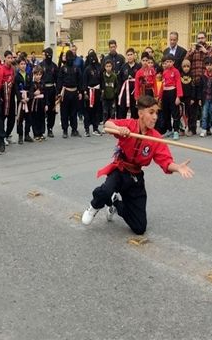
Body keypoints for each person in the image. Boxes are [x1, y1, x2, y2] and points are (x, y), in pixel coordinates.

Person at [81, 95, 194, 234]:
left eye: (156, 113)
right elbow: (108, 125)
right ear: (141, 113)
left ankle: (115, 202)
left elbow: (165, 161)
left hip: (136, 177)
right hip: (120, 170)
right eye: (151, 112)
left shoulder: (155, 137)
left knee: (139, 227)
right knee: (105, 190)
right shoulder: (130, 125)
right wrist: (119, 129)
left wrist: (177, 167)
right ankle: (94, 206)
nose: (155, 117)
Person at [57, 50, 83, 138]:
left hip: (74, 92)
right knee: (64, 112)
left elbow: (80, 80)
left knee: (74, 112)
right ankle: (65, 130)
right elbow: (59, 81)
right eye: (68, 57)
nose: (69, 59)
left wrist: (80, 91)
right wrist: (58, 93)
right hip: (65, 92)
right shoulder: (62, 68)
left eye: (71, 57)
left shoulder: (76, 68)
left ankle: (74, 130)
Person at [198, 57, 212, 137]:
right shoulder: (202, 76)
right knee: (204, 114)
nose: (209, 67)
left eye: (211, 65)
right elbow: (200, 88)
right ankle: (204, 129)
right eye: (207, 65)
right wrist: (200, 98)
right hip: (205, 99)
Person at [82, 51, 102, 137]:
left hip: (97, 91)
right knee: (88, 111)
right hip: (89, 91)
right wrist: (85, 92)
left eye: (94, 57)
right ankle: (87, 129)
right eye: (91, 58)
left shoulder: (99, 68)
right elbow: (84, 82)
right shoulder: (87, 69)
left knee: (96, 111)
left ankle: (95, 128)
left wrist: (102, 90)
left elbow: (101, 80)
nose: (93, 59)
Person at [40, 47, 58, 138]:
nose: (49, 56)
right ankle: (41, 130)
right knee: (42, 110)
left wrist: (57, 92)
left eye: (50, 54)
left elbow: (57, 79)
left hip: (52, 89)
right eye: (47, 54)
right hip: (43, 89)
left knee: (52, 110)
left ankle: (50, 128)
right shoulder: (40, 65)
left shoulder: (54, 66)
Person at [117, 48, 140, 119]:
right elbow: (119, 80)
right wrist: (119, 93)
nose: (129, 56)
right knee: (122, 111)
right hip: (125, 93)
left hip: (135, 93)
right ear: (126, 56)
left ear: (134, 55)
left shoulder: (138, 66)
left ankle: (134, 128)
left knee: (135, 112)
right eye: (128, 55)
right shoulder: (123, 67)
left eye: (131, 54)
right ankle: (123, 127)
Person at [15, 58, 33, 144]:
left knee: (28, 118)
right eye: (21, 64)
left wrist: (29, 97)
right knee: (20, 118)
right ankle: (20, 136)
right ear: (18, 65)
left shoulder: (29, 75)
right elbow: (16, 89)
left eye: (24, 64)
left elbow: (31, 87)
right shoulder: (16, 76)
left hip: (28, 99)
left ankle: (27, 134)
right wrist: (21, 99)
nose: (23, 65)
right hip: (21, 100)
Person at [1, 51, 17, 143]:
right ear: (5, 58)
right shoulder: (1, 69)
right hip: (3, 95)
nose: (10, 60)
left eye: (11, 58)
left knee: (12, 118)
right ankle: (2, 136)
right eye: (8, 58)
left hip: (11, 96)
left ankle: (7, 135)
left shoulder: (13, 69)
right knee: (3, 117)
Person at [179, 59, 197, 136]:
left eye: (188, 66)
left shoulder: (192, 76)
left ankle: (191, 129)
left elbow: (193, 88)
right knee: (181, 114)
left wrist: (193, 98)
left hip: (190, 98)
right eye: (184, 66)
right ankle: (182, 129)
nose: (186, 68)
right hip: (182, 98)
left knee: (191, 114)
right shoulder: (179, 76)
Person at [30, 65, 46, 141]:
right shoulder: (32, 84)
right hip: (34, 103)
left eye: (40, 75)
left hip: (42, 103)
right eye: (36, 75)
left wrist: (46, 104)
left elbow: (46, 94)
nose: (38, 76)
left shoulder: (43, 83)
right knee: (35, 118)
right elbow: (30, 94)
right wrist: (34, 94)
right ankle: (36, 133)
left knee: (42, 118)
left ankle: (41, 132)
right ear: (34, 75)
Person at [101, 59, 118, 124]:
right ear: (105, 67)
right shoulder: (102, 76)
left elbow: (117, 86)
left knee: (113, 113)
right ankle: (105, 125)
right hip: (105, 98)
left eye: (110, 66)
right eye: (107, 66)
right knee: (105, 112)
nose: (108, 68)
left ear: (112, 67)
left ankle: (112, 126)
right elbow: (101, 86)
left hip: (112, 98)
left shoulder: (114, 76)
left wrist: (114, 92)